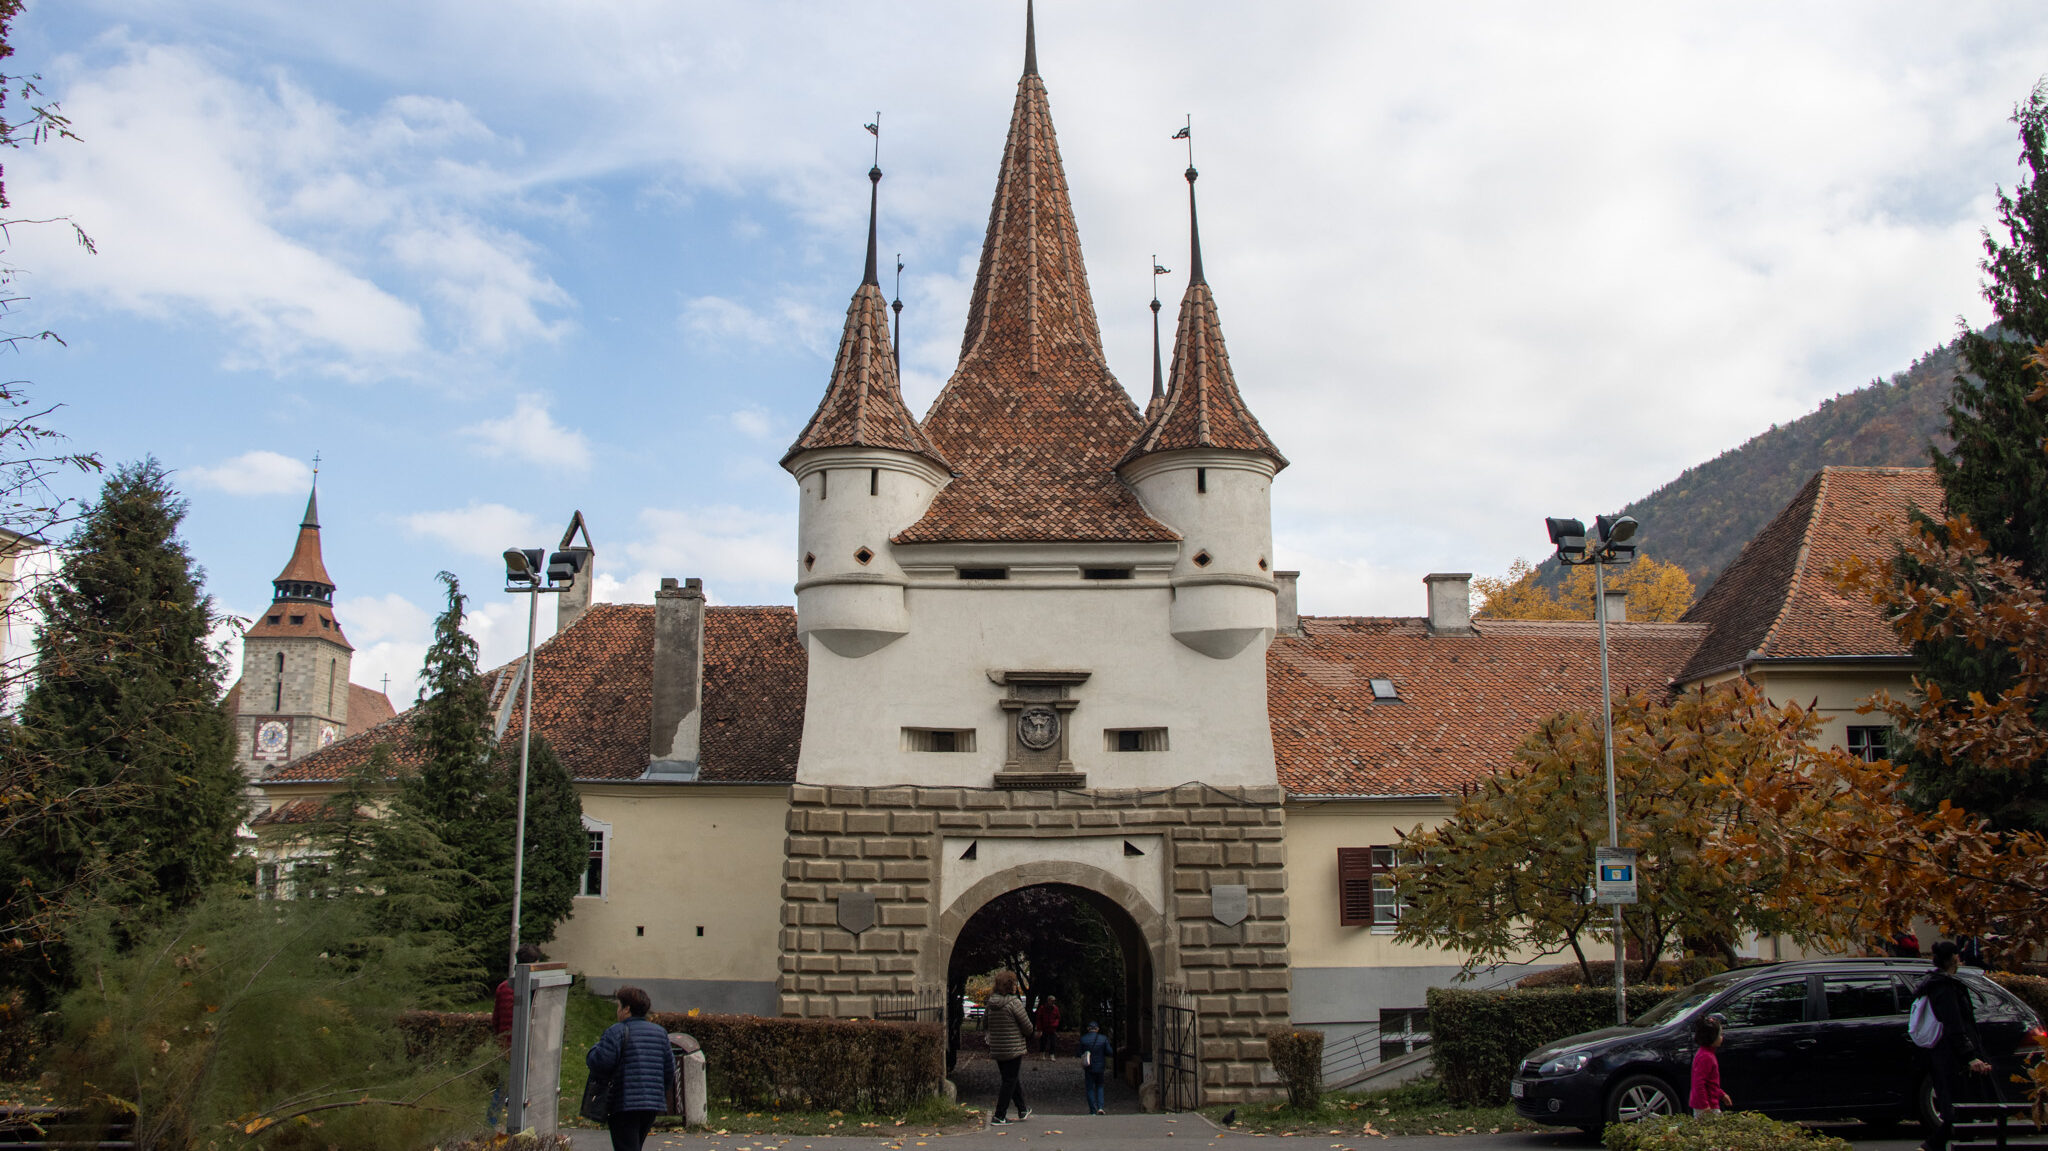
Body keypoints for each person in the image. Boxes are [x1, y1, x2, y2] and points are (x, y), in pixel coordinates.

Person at [1916, 941, 1993, 1151]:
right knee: (1960, 1106)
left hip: (1945, 1054)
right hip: (1952, 1056)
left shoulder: (1935, 985)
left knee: (1963, 1107)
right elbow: (1955, 1025)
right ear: (1953, 958)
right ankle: (1931, 1146)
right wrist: (1970, 1056)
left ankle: (1938, 1145)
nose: (1960, 960)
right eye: (1958, 957)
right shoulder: (1944, 988)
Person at [586, 986, 677, 1151]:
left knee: (626, 1146)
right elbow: (669, 1070)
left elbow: (600, 1063)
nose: (617, 1011)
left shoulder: (617, 1031)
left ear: (627, 1009)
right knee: (634, 1145)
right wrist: (658, 1092)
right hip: (651, 1103)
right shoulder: (660, 1033)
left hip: (624, 1102)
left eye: (619, 1006)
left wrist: (594, 1049)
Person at [488, 944, 544, 1128]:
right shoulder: (534, 988)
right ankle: (527, 1124)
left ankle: (491, 1122)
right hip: (528, 1045)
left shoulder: (503, 987)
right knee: (530, 1087)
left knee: (503, 1085)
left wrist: (500, 1039)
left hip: (506, 1045)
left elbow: (496, 1019)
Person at [984, 971, 1033, 1125]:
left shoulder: (991, 1003)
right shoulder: (1014, 1003)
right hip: (1013, 1047)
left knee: (1010, 1078)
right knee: (1009, 1080)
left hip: (998, 1047)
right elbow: (1027, 1027)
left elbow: (985, 1023)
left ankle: (1022, 1109)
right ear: (1010, 985)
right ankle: (1000, 1115)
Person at [1688, 1013, 1731, 1114]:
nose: (1722, 1037)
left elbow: (1711, 1082)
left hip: (1710, 1103)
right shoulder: (1705, 1057)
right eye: (1720, 1035)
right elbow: (1699, 1082)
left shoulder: (1708, 1054)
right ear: (1712, 1037)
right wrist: (1704, 1105)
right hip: (1707, 1106)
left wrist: (1721, 1094)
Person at [1078, 1021, 1114, 1115]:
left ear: (1088, 1029)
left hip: (1089, 1066)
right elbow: (1110, 1052)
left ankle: (1092, 1110)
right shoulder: (1103, 1038)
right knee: (1100, 1086)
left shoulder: (1083, 1039)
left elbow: (1079, 1053)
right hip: (1100, 1066)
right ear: (1097, 1029)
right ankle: (1100, 1107)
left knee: (1090, 1088)